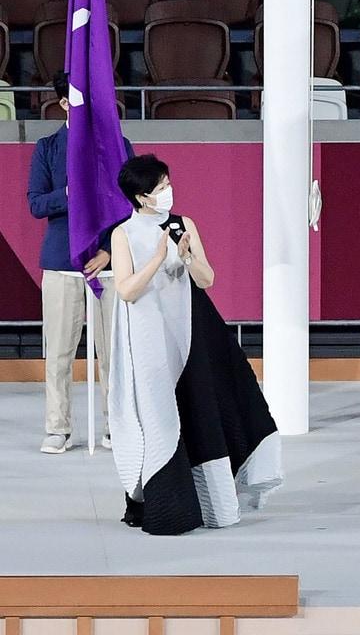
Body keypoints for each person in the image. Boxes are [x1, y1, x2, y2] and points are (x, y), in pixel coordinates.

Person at [108, 154, 282, 535]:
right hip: (148, 338)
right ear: (141, 197)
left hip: (187, 332)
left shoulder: (183, 224)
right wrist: (155, 259)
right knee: (160, 418)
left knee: (199, 406)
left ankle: (212, 502)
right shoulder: (123, 234)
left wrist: (186, 257)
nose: (168, 192)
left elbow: (207, 279)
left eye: (169, 184)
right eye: (160, 188)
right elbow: (125, 290)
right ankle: (162, 504)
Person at [26, 73, 134, 454]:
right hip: (60, 264)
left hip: (107, 265)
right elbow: (37, 203)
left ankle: (114, 425)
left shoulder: (117, 146)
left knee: (114, 354)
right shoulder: (47, 148)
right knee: (58, 352)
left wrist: (108, 250)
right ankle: (58, 428)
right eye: (78, 99)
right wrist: (72, 193)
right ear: (64, 104)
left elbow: (131, 205)